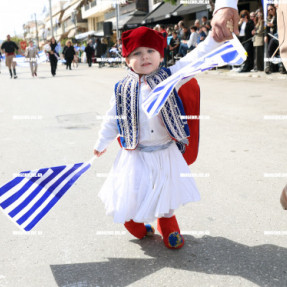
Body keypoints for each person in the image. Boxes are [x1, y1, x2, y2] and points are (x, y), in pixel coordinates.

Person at [93, 26, 222, 249]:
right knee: (134, 193)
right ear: (126, 60)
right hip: (136, 154)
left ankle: (167, 223)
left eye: (150, 51)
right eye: (136, 53)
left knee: (166, 191)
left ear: (161, 56)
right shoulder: (122, 89)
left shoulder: (171, 77)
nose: (144, 56)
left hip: (165, 152)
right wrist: (101, 142)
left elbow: (196, 58)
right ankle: (134, 223)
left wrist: (214, 38)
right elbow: (112, 118)